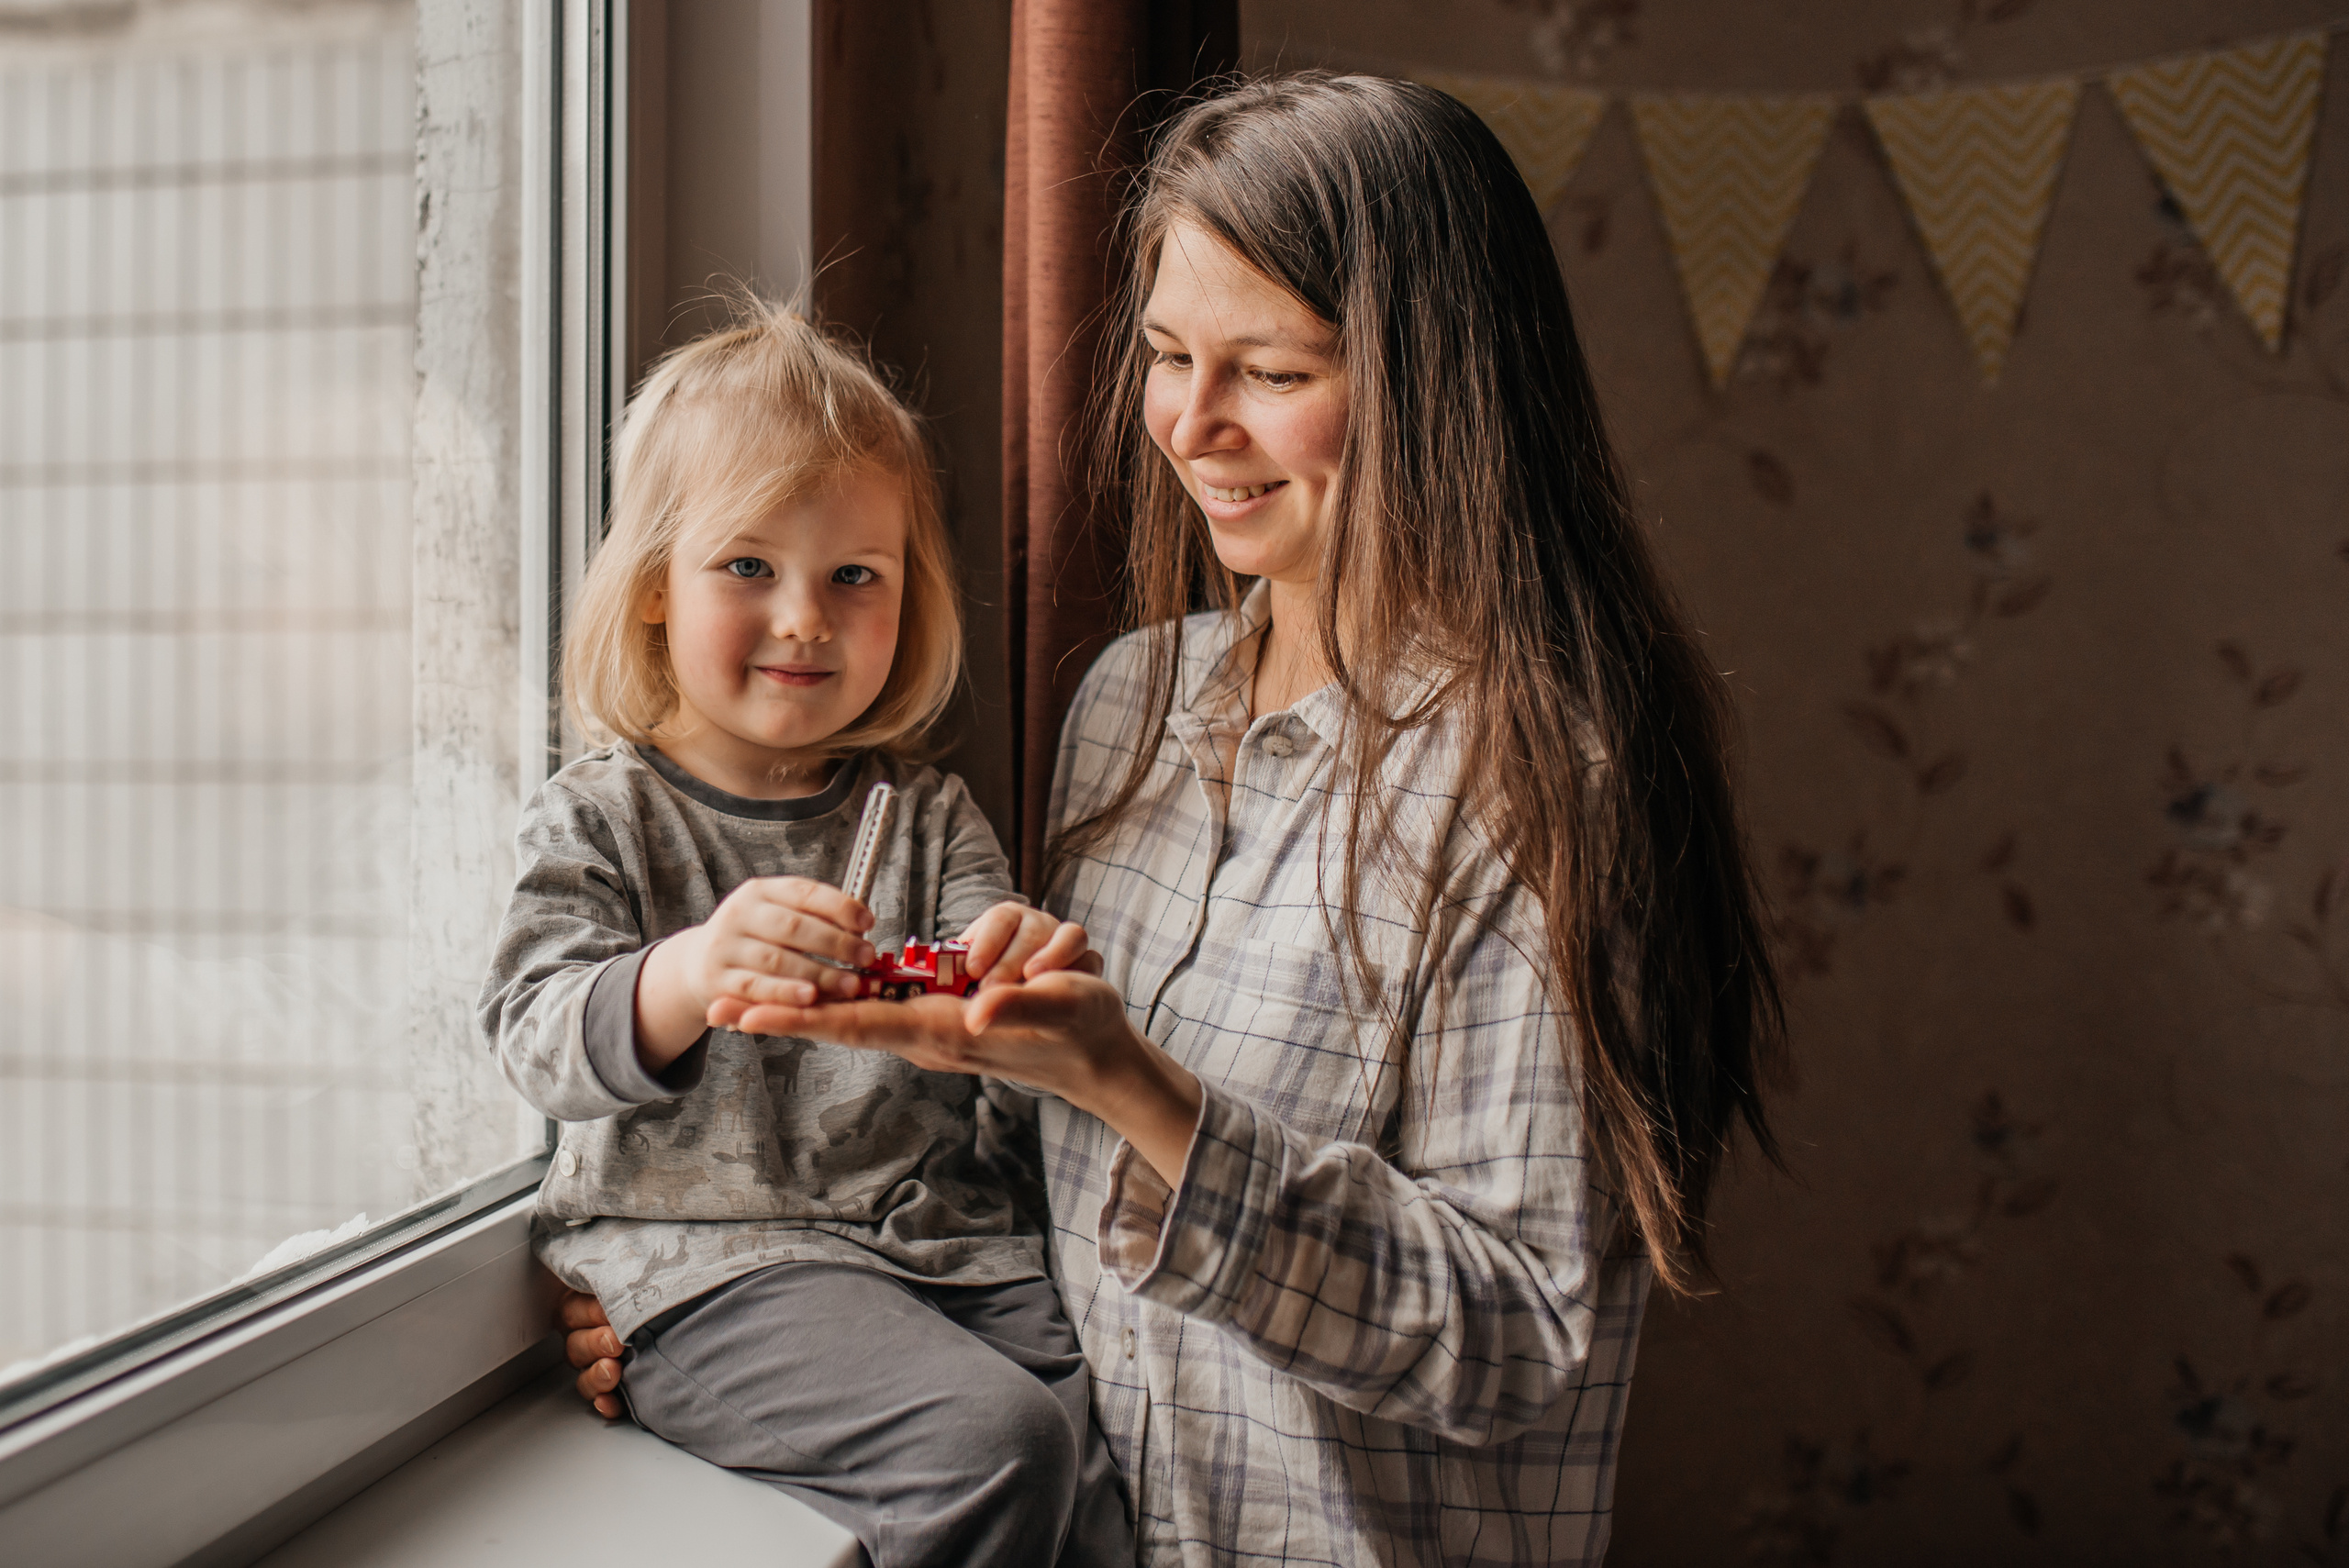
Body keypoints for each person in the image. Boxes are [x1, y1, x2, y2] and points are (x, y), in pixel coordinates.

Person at [565, 72, 1784, 1566]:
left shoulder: (1538, 783)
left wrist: (1143, 1091)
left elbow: (1514, 1338)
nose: (1191, 426)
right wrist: (716, 1299)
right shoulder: (1131, 710)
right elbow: (1018, 1184)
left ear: (1435, 381)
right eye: (1162, 354)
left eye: (1269, 371)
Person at [483, 303, 1133, 1568]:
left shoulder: (928, 812)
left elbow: (980, 984)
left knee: (1099, 1496)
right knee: (998, 1445)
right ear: (656, 590)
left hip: (946, 1250)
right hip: (722, 1268)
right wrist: (684, 973)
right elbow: (532, 1031)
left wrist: (1007, 969)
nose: (805, 618)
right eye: (747, 567)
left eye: (855, 576)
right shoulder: (604, 813)